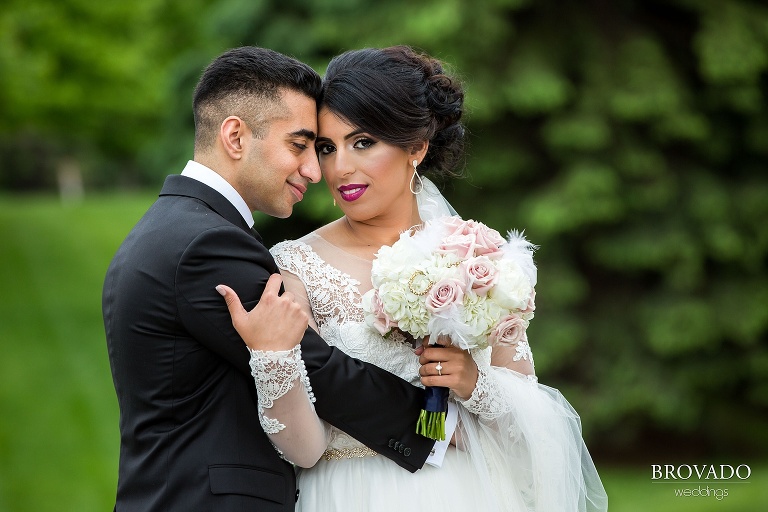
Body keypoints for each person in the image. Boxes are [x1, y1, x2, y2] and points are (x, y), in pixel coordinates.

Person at [219, 46, 609, 511]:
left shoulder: (478, 260)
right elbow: (306, 448)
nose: (340, 168)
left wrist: (472, 384)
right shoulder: (294, 266)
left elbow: (533, 435)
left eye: (363, 142)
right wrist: (273, 358)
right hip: (347, 496)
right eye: (327, 147)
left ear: (416, 148)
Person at [102, 46, 438, 512]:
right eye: (300, 146)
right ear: (235, 137)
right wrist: (435, 423)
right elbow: (317, 367)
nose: (315, 171)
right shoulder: (205, 244)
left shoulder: (174, 226)